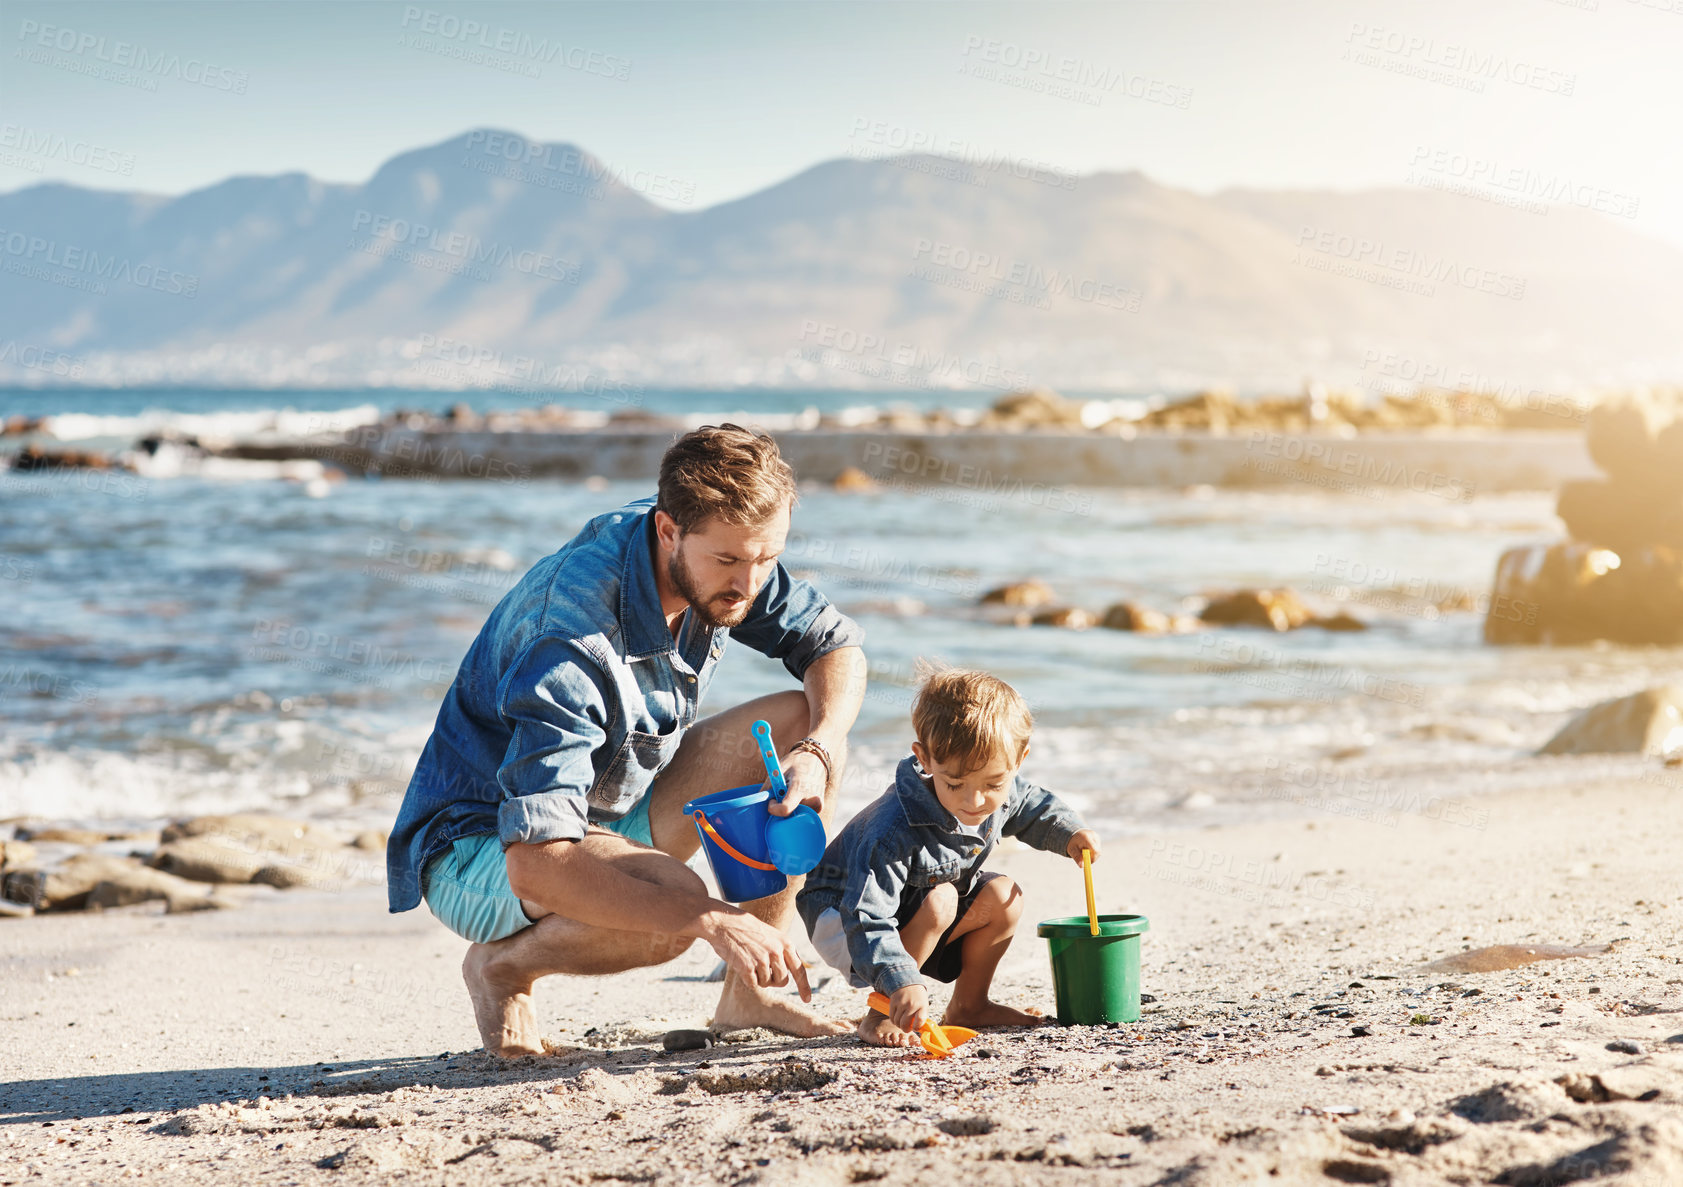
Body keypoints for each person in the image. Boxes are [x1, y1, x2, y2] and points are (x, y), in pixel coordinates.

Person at [386, 424, 867, 1055]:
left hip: (605, 813)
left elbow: (837, 647)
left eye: (767, 559)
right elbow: (536, 860)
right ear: (669, 530)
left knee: (802, 724)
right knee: (674, 913)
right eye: (729, 561)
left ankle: (752, 997)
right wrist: (712, 922)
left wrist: (820, 751)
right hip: (487, 851)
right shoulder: (568, 647)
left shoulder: (727, 549)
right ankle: (503, 967)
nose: (750, 585)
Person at [797, 665, 1100, 1047]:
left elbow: (1030, 806)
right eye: (954, 783)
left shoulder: (1000, 789)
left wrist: (1069, 832)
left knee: (1005, 896)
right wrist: (901, 977)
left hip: (913, 906)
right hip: (844, 917)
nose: (975, 801)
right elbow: (866, 914)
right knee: (941, 899)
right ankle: (881, 1011)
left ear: (1019, 760)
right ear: (924, 758)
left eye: (993, 784)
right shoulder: (891, 831)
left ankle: (970, 1005)